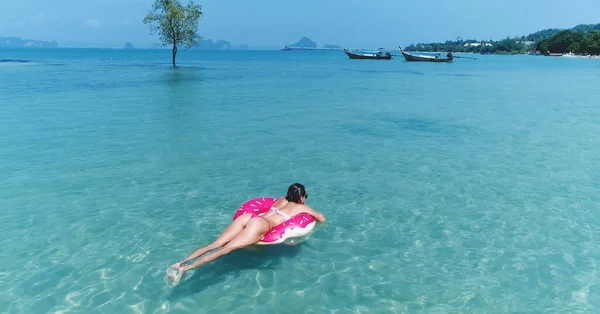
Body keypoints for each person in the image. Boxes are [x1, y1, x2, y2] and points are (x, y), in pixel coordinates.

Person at [166, 183, 326, 285]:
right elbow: (321, 219)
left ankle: (181, 262)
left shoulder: (280, 199)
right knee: (225, 249)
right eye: (305, 196)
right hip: (260, 225)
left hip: (250, 217)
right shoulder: (300, 208)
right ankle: (186, 270)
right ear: (301, 198)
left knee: (215, 244)